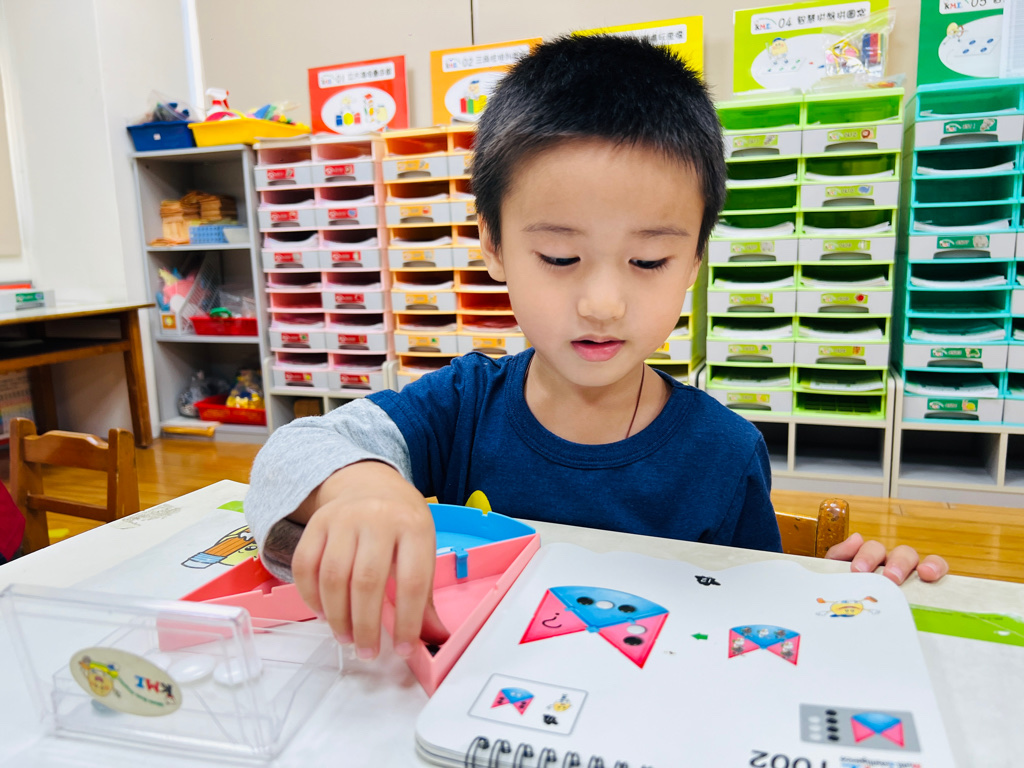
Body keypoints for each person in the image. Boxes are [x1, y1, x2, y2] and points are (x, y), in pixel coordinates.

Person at [246, 34, 948, 664]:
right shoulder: (462, 404)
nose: (603, 304)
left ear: (695, 259)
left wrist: (842, 588)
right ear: (493, 244)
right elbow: (296, 449)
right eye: (559, 257)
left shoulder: (724, 454)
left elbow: (754, 624)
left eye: (649, 262)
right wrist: (363, 487)